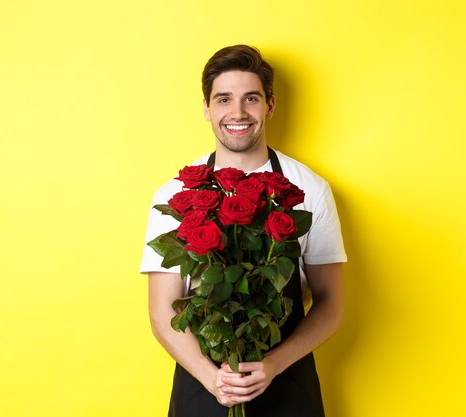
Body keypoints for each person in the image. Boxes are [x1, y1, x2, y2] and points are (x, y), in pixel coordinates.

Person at [140, 45, 347, 417]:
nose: (237, 113)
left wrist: (274, 364)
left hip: (288, 382)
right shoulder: (173, 194)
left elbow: (331, 302)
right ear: (207, 108)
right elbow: (161, 311)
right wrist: (214, 379)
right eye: (223, 99)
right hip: (202, 384)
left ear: (269, 106)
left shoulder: (310, 190)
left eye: (251, 98)